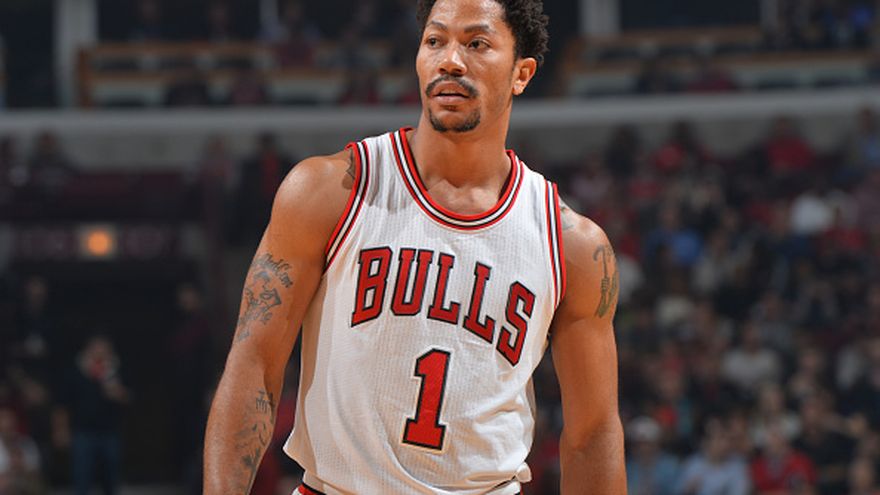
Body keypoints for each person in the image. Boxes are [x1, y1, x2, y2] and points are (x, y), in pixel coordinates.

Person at [204, 0, 626, 493]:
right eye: (435, 41)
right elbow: (254, 366)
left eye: (477, 43)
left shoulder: (573, 246)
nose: (451, 60)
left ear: (522, 73)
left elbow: (592, 434)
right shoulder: (327, 191)